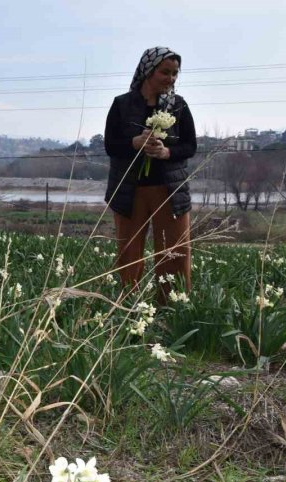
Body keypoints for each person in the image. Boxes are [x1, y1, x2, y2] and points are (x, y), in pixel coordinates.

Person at [104, 46, 197, 300]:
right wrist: (134, 144)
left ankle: (171, 307)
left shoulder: (178, 106)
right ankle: (129, 308)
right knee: (129, 254)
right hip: (130, 191)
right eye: (165, 72)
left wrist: (167, 153)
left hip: (170, 191)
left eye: (175, 73)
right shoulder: (122, 105)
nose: (171, 79)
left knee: (175, 252)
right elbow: (110, 146)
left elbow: (190, 145)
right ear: (148, 71)